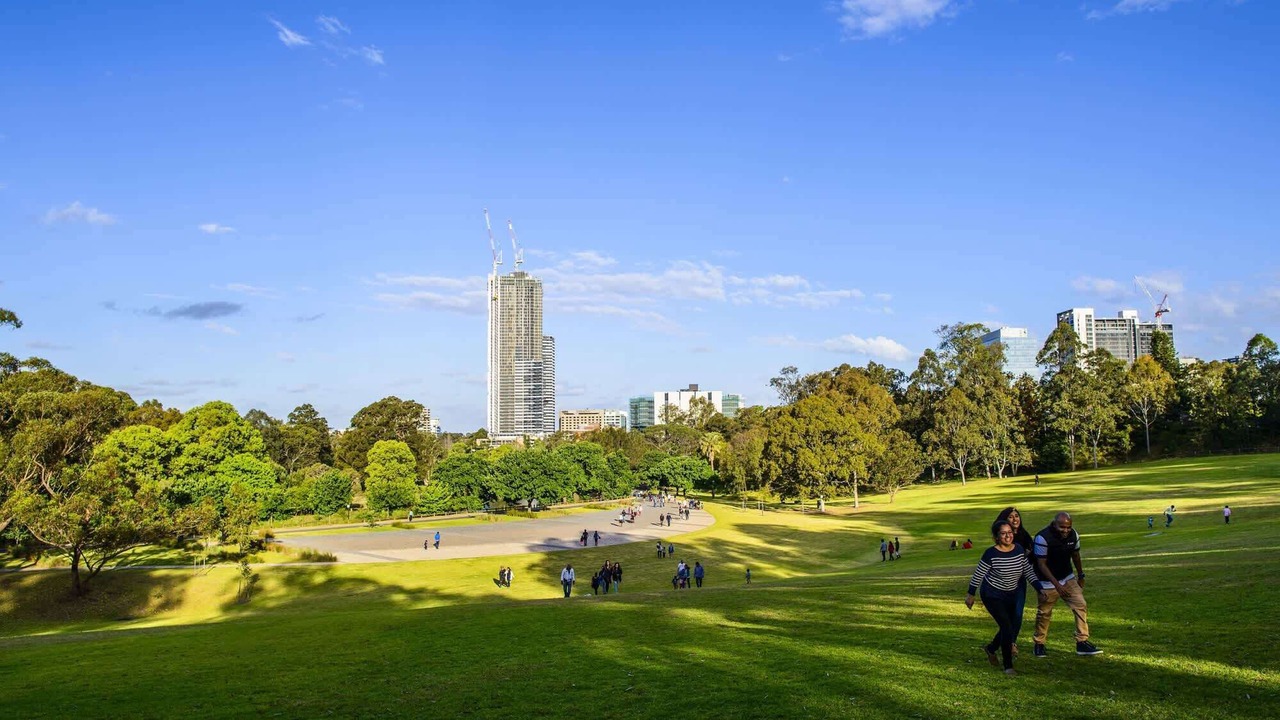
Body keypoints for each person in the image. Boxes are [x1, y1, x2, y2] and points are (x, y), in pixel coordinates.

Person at [967, 519, 1043, 676]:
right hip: (992, 594)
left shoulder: (1019, 549)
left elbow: (1027, 571)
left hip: (1011, 593)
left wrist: (1039, 588)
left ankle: (991, 648)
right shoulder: (991, 554)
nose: (1008, 536)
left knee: (1008, 626)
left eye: (1010, 532)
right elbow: (978, 574)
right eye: (1003, 533)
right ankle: (1008, 665)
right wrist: (971, 594)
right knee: (1007, 627)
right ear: (996, 537)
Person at [1032, 512, 1102, 657]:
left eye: (1068, 527)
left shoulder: (1073, 535)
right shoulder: (1042, 538)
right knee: (1044, 613)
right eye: (1062, 527)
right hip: (1047, 581)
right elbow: (1041, 564)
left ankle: (1082, 642)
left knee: (1080, 604)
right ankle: (1039, 643)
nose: (1065, 530)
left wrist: (1081, 575)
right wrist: (1057, 585)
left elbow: (1075, 556)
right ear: (1054, 524)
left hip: (1067, 577)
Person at [995, 506, 1035, 656]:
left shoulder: (1024, 535)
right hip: (1003, 581)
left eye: (1016, 516)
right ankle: (1001, 643)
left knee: (1017, 614)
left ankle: (1011, 643)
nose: (1015, 519)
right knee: (1008, 615)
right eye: (1011, 517)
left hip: (1020, 581)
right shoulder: (1003, 537)